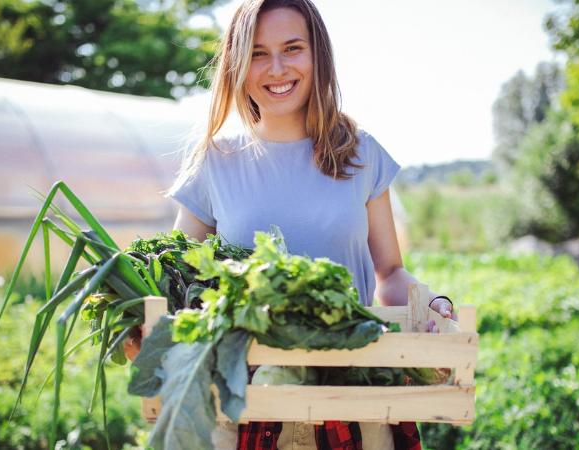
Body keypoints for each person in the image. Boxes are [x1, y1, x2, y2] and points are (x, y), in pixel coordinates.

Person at [125, 0, 455, 448]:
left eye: (292, 48)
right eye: (258, 53)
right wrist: (138, 322)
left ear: (317, 55)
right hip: (245, 401)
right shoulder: (216, 161)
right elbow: (175, 279)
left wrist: (431, 302)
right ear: (237, 64)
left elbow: (389, 274)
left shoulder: (360, 153)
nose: (276, 68)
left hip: (353, 395)